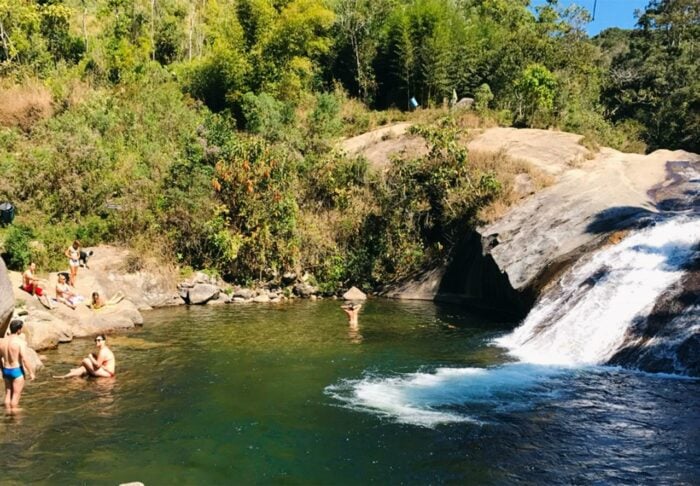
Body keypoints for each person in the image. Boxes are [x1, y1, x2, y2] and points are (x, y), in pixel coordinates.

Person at [0, 320, 35, 410]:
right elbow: (24, 359)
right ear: (19, 330)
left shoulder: (2, 342)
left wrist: (2, 369)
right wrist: (31, 373)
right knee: (16, 397)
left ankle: (8, 415)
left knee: (8, 394)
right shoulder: (20, 342)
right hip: (17, 371)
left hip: (6, 370)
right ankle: (15, 421)